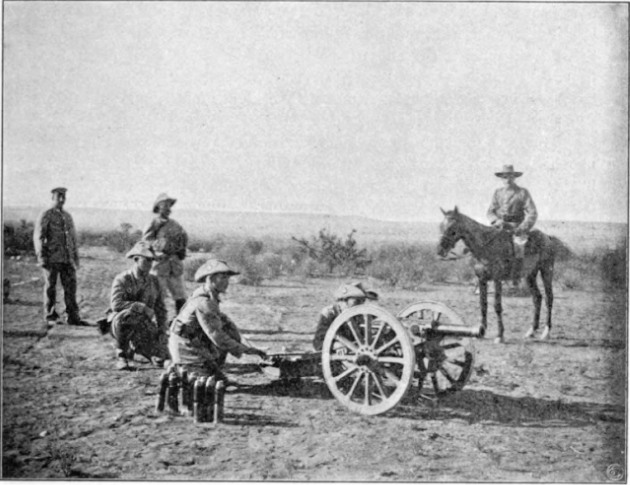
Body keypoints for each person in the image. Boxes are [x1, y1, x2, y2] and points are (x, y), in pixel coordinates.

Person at [168, 259, 267, 379]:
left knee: (219, 377)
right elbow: (217, 337)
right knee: (206, 382)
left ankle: (198, 367)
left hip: (194, 342)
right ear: (210, 279)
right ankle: (181, 368)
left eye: (227, 278)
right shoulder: (204, 302)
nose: (227, 282)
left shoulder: (207, 295)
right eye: (223, 277)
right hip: (185, 347)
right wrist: (247, 350)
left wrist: (241, 341)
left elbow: (223, 322)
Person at [105, 241, 169, 371]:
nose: (150, 264)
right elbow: (116, 304)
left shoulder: (154, 281)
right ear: (136, 259)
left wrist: (162, 330)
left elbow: (160, 308)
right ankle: (122, 355)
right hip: (122, 323)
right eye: (146, 260)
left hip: (144, 325)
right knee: (127, 316)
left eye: (152, 260)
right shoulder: (123, 279)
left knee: (164, 357)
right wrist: (142, 307)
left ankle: (140, 350)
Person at [33, 187, 89, 326]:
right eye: (59, 196)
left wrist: (75, 257)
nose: (62, 199)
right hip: (51, 258)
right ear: (52, 198)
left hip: (67, 258)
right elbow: (39, 236)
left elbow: (72, 239)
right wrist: (41, 257)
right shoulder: (46, 214)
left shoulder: (67, 216)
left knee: (71, 287)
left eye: (63, 196)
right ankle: (50, 316)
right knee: (50, 287)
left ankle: (72, 317)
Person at [487, 165, 538, 280]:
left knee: (519, 246)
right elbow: (490, 212)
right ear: (501, 179)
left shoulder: (522, 192)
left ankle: (517, 276)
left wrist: (523, 227)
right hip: (500, 227)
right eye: (505, 177)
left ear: (514, 178)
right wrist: (496, 220)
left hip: (516, 227)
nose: (507, 179)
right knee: (485, 244)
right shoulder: (498, 193)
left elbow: (532, 212)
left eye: (510, 176)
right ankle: (486, 275)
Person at [142, 193, 189, 317]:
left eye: (169, 205)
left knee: (181, 296)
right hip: (159, 266)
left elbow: (183, 238)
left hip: (175, 266)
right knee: (158, 296)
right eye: (164, 205)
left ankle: (181, 322)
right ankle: (157, 322)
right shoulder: (153, 222)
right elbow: (146, 242)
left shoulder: (175, 224)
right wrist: (157, 251)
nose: (168, 208)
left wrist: (180, 250)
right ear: (158, 207)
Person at [312, 282, 378, 351]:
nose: (360, 305)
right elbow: (318, 342)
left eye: (362, 301)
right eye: (357, 301)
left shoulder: (361, 314)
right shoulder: (330, 314)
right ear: (344, 300)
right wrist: (335, 345)